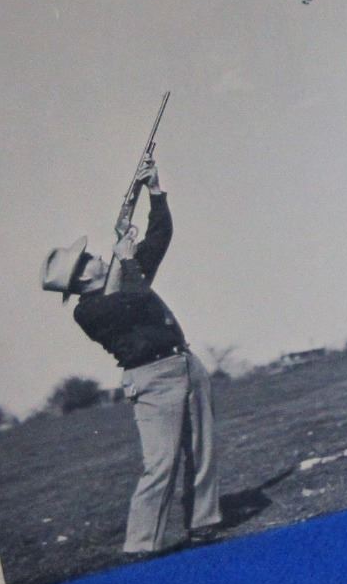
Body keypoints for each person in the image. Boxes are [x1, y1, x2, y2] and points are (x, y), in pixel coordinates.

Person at [39, 160, 220, 554]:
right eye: (89, 258)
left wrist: (155, 192)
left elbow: (160, 237)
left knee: (202, 450)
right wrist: (125, 258)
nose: (96, 257)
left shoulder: (124, 274)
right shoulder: (88, 311)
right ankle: (141, 545)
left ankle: (204, 525)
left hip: (185, 363)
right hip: (153, 379)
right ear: (81, 277)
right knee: (161, 464)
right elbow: (135, 298)